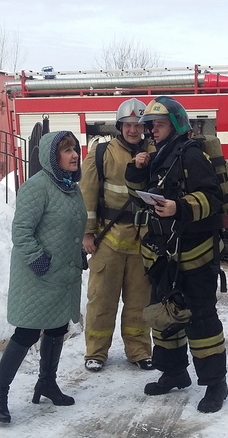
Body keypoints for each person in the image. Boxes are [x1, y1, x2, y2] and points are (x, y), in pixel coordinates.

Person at [125, 96, 228, 413]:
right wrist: (136, 170)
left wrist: (178, 207)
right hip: (164, 253)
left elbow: (212, 199)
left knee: (200, 318)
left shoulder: (192, 155)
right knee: (164, 314)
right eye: (149, 126)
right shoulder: (159, 157)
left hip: (196, 254)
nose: (150, 131)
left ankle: (215, 385)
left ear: (175, 125)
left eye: (155, 125)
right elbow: (139, 199)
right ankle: (174, 372)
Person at [0, 131, 87, 423]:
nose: (74, 155)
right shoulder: (37, 187)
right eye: (67, 150)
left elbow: (71, 227)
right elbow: (21, 232)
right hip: (37, 275)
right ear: (52, 157)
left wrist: (76, 253)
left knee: (56, 329)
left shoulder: (70, 187)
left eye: (75, 149)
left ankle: (47, 383)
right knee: (27, 333)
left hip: (61, 275)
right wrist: (39, 260)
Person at [79, 98, 154, 372]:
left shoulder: (155, 153)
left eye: (138, 125)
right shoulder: (101, 153)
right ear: (120, 126)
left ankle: (139, 351)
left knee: (139, 302)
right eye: (128, 125)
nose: (133, 130)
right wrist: (88, 234)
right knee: (101, 299)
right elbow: (87, 195)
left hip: (141, 240)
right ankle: (96, 352)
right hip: (107, 239)